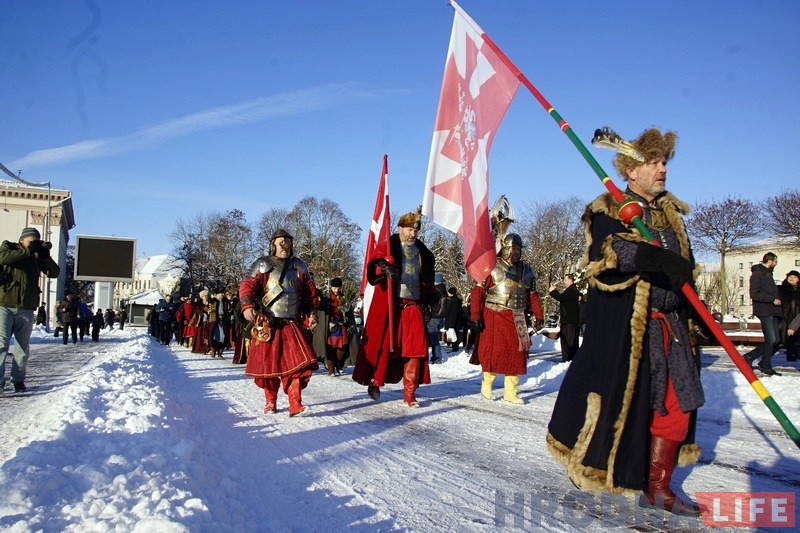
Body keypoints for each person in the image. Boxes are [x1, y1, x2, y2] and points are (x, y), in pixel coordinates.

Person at [547, 127, 704, 516]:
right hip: (627, 330)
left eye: (664, 161)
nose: (662, 168)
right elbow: (608, 255)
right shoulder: (608, 209)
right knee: (617, 408)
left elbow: (683, 266)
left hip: (671, 327)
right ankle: (594, 464)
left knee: (677, 404)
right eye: (654, 162)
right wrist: (649, 258)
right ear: (631, 170)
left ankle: (659, 487)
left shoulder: (670, 215)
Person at [352, 208, 434, 408]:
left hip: (413, 306)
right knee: (384, 347)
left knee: (415, 351)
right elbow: (374, 266)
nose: (412, 233)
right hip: (391, 307)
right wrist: (384, 267)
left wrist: (430, 300)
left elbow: (427, 281)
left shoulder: (423, 252)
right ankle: (376, 381)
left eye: (415, 230)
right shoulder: (389, 246)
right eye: (408, 229)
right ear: (400, 228)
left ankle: (409, 393)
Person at [239, 229, 319, 417]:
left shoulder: (299, 266)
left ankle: (295, 404)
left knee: (297, 365)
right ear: (273, 243)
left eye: (288, 241)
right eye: (281, 241)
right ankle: (270, 401)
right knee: (269, 366)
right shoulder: (262, 264)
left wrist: (312, 313)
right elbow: (248, 285)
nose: (285, 244)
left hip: (292, 324)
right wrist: (247, 305)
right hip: (269, 324)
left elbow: (309, 293)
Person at [469, 232, 544, 404]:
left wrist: (539, 315)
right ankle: (487, 385)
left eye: (518, 249)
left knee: (516, 356)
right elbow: (478, 291)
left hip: (518, 316)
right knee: (494, 353)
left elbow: (532, 295)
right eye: (513, 248)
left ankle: (511, 392)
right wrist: (475, 315)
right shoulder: (492, 266)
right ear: (505, 249)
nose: (516, 252)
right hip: (495, 315)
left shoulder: (526, 270)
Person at [0, 227, 60, 393]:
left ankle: (18, 381)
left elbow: (54, 273)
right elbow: (3, 258)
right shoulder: (9, 247)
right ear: (22, 240)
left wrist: (45, 257)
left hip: (26, 308)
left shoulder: (36, 256)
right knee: (1, 344)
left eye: (36, 241)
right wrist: (27, 251)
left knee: (22, 348)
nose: (34, 244)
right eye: (30, 241)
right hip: (5, 304)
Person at [743, 253, 782, 376]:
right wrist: (772, 299)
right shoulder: (758, 274)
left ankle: (751, 356)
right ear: (770, 261)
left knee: (776, 340)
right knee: (771, 339)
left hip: (772, 310)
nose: (776, 264)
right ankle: (765, 366)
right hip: (764, 310)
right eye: (775, 262)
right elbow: (754, 294)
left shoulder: (767, 274)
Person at [319, 277, 350, 376]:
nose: (336, 290)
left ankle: (339, 363)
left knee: (343, 347)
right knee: (331, 348)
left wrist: (346, 316)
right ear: (331, 287)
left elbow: (348, 311)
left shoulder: (344, 297)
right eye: (334, 288)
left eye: (338, 288)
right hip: (331, 326)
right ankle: (331, 369)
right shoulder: (326, 298)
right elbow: (322, 313)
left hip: (341, 325)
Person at [549, 273, 580, 362]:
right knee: (566, 340)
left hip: (570, 320)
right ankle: (568, 358)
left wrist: (553, 291)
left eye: (566, 279)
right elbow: (563, 298)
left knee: (569, 340)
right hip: (567, 320)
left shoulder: (572, 290)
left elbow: (561, 298)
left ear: (571, 280)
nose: (564, 281)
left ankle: (570, 358)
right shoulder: (570, 290)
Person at [426, 274, 448, 365]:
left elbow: (431, 302)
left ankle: (437, 357)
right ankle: (437, 356)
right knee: (435, 338)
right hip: (440, 317)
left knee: (433, 338)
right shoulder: (444, 291)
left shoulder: (436, 291)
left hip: (434, 317)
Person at [779, 270, 800, 362]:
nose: (792, 278)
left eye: (794, 277)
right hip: (784, 319)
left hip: (797, 319)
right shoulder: (781, 289)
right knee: (780, 340)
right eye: (790, 276)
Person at [445, 287, 463, 352]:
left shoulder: (454, 301)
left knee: (454, 335)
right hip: (454, 322)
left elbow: (453, 313)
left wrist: (451, 325)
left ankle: (455, 348)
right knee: (454, 335)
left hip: (453, 322)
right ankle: (454, 348)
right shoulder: (455, 300)